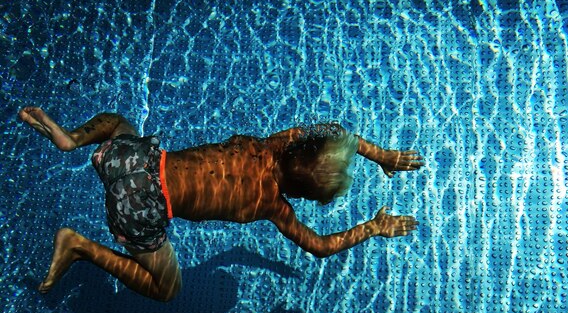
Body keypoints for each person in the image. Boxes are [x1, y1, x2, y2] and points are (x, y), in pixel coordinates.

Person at [18, 106, 424, 302]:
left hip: (134, 159)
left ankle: (71, 138)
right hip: (140, 207)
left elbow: (337, 130)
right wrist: (372, 227)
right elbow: (320, 246)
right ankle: (79, 247)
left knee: (119, 123)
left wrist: (382, 155)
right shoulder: (273, 206)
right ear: (302, 196)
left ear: (301, 144)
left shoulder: (270, 144)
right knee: (167, 289)